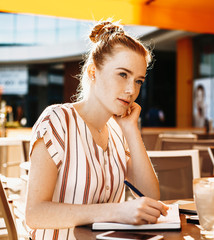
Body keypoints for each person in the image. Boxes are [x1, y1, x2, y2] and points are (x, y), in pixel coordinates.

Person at [25, 20, 168, 240]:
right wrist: (117, 211)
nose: (131, 90)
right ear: (93, 72)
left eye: (138, 81)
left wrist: (131, 131)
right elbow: (34, 214)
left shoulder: (117, 130)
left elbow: (150, 195)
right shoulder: (56, 121)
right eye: (122, 74)